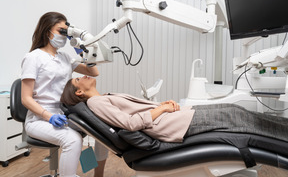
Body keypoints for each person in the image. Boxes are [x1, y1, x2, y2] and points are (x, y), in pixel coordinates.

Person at [60, 75, 288, 143]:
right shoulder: (95, 102)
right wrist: (163, 110)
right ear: (79, 92)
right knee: (238, 115)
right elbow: (130, 124)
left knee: (237, 112)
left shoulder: (103, 98)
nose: (84, 75)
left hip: (176, 118)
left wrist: (161, 105)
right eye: (78, 79)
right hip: (174, 124)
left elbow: (133, 113)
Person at [21, 12, 108, 177]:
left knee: (102, 130)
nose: (65, 35)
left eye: (66, 31)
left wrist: (81, 51)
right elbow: (25, 98)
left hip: (64, 113)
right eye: (61, 31)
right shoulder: (33, 58)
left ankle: (98, 175)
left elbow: (93, 71)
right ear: (48, 32)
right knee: (73, 140)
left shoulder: (65, 57)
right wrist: (49, 116)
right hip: (39, 119)